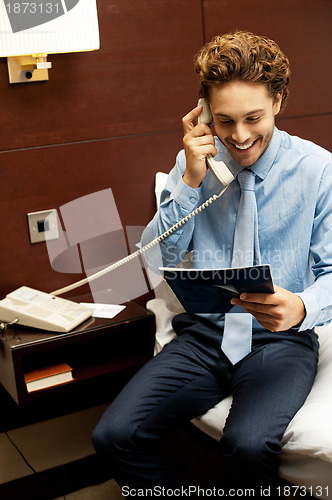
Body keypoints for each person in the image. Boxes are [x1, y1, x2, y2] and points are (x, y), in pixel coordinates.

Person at [92, 31, 332, 497]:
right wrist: (189, 180)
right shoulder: (197, 167)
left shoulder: (319, 170)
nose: (240, 137)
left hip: (280, 342)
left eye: (253, 118)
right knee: (114, 436)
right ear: (202, 114)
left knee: (246, 444)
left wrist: (301, 307)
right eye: (224, 121)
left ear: (279, 101)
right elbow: (157, 257)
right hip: (206, 335)